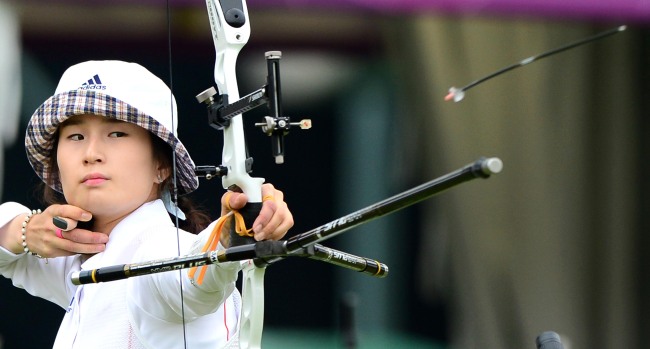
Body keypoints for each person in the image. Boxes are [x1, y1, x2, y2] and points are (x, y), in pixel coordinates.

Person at [0, 60, 293, 348]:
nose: (91, 153)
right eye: (75, 136)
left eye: (117, 133)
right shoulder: (81, 256)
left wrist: (231, 233)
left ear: (161, 166)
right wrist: (23, 230)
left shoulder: (158, 250)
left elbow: (191, 277)